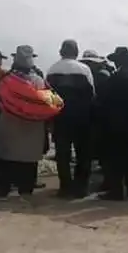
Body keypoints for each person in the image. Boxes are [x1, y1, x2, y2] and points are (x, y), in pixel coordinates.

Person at [0, 46, 50, 202]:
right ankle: (25, 191)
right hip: (32, 124)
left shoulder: (6, 79)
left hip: (8, 122)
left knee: (6, 157)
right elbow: (51, 102)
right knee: (29, 158)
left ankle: (3, 191)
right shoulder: (38, 80)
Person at [45, 39, 95, 198]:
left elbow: (48, 97)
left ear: (61, 51)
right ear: (76, 52)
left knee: (62, 154)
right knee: (83, 153)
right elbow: (92, 94)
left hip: (60, 118)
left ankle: (65, 187)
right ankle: (81, 187)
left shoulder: (52, 70)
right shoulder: (84, 69)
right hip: (82, 118)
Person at [98, 47, 128, 200]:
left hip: (117, 124)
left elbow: (104, 100)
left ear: (117, 61)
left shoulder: (114, 78)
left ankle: (116, 192)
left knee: (116, 160)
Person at [80, 49, 112, 189]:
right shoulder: (100, 75)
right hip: (94, 117)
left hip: (98, 117)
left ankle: (105, 180)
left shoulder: (101, 76)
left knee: (100, 149)